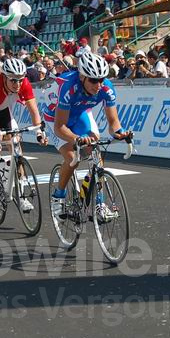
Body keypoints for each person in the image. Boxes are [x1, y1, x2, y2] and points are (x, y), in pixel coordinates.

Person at [49, 52, 132, 221]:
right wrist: (76, 139)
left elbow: (113, 122)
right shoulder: (68, 87)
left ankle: (99, 204)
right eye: (94, 80)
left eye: (102, 79)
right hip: (55, 120)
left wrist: (120, 133)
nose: (99, 84)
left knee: (95, 151)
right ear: (82, 77)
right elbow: (60, 127)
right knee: (73, 158)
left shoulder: (107, 88)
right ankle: (59, 195)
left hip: (80, 115)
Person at [0, 57, 47, 210]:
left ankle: (21, 195)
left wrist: (39, 132)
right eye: (13, 80)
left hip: (3, 109)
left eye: (20, 80)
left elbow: (34, 110)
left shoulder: (24, 84)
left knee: (16, 144)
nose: (17, 84)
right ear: (4, 77)